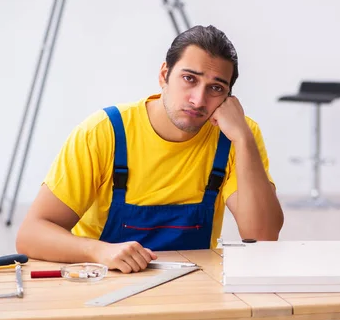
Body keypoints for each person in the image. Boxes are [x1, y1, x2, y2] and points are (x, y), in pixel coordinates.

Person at [16, 25, 284, 273]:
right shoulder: (104, 132)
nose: (198, 99)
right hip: (106, 285)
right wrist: (99, 251)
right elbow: (31, 234)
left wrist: (244, 140)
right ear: (164, 75)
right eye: (189, 78)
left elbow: (262, 237)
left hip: (194, 289)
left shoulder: (237, 136)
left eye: (216, 87)